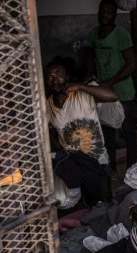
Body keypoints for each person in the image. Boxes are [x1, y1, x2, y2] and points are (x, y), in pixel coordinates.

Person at [44, 61, 118, 206]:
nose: (55, 80)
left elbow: (113, 96)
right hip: (74, 166)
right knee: (84, 206)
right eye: (50, 77)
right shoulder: (48, 104)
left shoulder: (81, 95)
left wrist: (81, 86)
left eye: (59, 75)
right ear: (45, 81)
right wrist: (60, 155)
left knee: (104, 203)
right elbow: (51, 130)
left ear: (67, 77)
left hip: (97, 160)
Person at [86, 0, 137, 170]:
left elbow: (131, 64)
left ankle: (132, 169)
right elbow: (88, 54)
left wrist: (109, 82)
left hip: (123, 92)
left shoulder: (121, 34)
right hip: (104, 93)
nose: (105, 15)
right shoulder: (94, 34)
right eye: (102, 11)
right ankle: (111, 168)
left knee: (128, 132)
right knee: (107, 133)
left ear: (115, 16)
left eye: (109, 12)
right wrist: (91, 71)